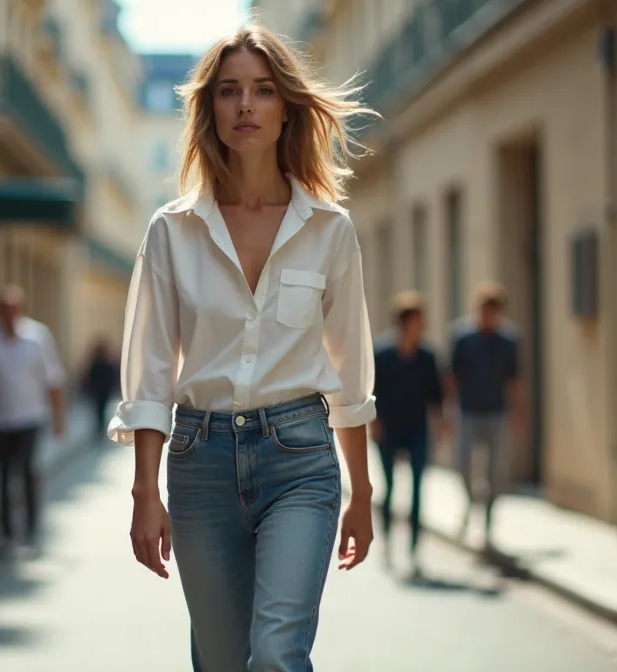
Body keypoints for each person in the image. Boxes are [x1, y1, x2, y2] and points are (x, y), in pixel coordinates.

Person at [107, 23, 379, 672]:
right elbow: (147, 374)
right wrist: (146, 494)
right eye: (229, 91)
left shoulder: (330, 231)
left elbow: (350, 372)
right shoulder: (171, 231)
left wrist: (362, 494)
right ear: (211, 109)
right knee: (225, 662)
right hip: (200, 462)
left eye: (262, 90)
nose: (247, 105)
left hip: (302, 459)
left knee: (278, 657)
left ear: (287, 107)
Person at [0, 285, 67, 557]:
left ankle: (32, 531)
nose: (10, 315)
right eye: (5, 310)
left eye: (14, 309)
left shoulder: (37, 337)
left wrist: (59, 417)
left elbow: (53, 378)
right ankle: (5, 533)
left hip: (30, 418)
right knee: (1, 477)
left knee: (27, 471)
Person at [371, 291, 443, 576]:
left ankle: (414, 548)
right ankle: (387, 540)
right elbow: (371, 391)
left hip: (417, 429)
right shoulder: (383, 354)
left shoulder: (427, 356)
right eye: (418, 320)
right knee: (389, 488)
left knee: (416, 490)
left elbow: (436, 395)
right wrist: (372, 423)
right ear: (405, 322)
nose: (422, 325)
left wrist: (442, 423)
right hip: (388, 428)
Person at [448, 281, 523, 545]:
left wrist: (517, 414)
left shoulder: (508, 340)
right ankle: (470, 504)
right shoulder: (462, 337)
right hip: (468, 412)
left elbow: (514, 380)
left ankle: (488, 524)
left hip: (497, 414)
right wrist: (449, 412)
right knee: (463, 467)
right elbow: (453, 377)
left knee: (495, 474)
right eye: (483, 310)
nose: (488, 317)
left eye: (493, 312)